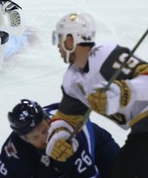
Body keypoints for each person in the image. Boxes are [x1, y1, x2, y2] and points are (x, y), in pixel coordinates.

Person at [46, 12, 148, 178]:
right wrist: (60, 137)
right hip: (141, 132)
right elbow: (67, 118)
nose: (58, 46)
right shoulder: (73, 80)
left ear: (71, 40)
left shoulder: (106, 55)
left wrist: (120, 94)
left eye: (60, 39)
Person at [0, 99, 120, 178]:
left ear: (48, 120)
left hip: (97, 148)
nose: (44, 138)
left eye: (45, 130)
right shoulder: (14, 152)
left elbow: (89, 175)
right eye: (35, 137)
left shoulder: (70, 131)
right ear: (24, 140)